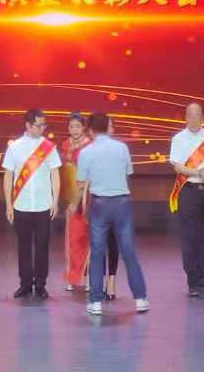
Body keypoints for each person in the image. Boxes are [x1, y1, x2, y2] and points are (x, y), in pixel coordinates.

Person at [77, 112, 149, 316]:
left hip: (99, 204)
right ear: (107, 126)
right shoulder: (122, 148)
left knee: (97, 253)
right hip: (122, 204)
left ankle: (96, 302)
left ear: (90, 129)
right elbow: (128, 174)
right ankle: (140, 299)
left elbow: (81, 182)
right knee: (129, 252)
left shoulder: (86, 152)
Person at [2, 108, 61, 300]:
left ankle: (41, 284)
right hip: (21, 204)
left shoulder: (48, 147)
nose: (42, 128)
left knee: (42, 247)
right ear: (28, 125)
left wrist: (55, 200)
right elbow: (8, 175)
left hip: (44, 205)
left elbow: (55, 174)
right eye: (39, 125)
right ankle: (25, 284)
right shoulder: (15, 147)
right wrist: (8, 204)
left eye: (44, 125)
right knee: (24, 246)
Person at [61, 112, 120, 298]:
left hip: (88, 195)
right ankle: (72, 277)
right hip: (70, 194)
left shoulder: (90, 146)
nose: (75, 130)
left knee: (87, 238)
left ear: (84, 128)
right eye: (71, 126)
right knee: (72, 237)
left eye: (78, 126)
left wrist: (81, 198)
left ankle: (88, 278)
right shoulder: (65, 145)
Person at [168, 102, 204, 297]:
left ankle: (201, 278)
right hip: (188, 190)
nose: (192, 118)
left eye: (196, 115)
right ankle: (192, 282)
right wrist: (197, 172)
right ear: (185, 117)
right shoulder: (178, 139)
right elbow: (178, 167)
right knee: (190, 237)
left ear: (203, 117)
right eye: (189, 115)